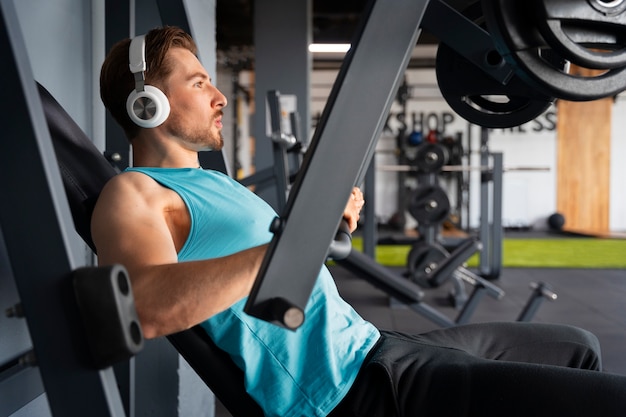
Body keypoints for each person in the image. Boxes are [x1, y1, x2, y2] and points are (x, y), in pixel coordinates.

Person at [94, 26, 626, 417]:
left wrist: (323, 227)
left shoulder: (214, 183)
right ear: (148, 104)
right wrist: (302, 240)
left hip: (378, 346)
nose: (218, 96)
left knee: (577, 346)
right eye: (198, 83)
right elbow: (146, 306)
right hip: (355, 392)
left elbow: (264, 270)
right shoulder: (135, 191)